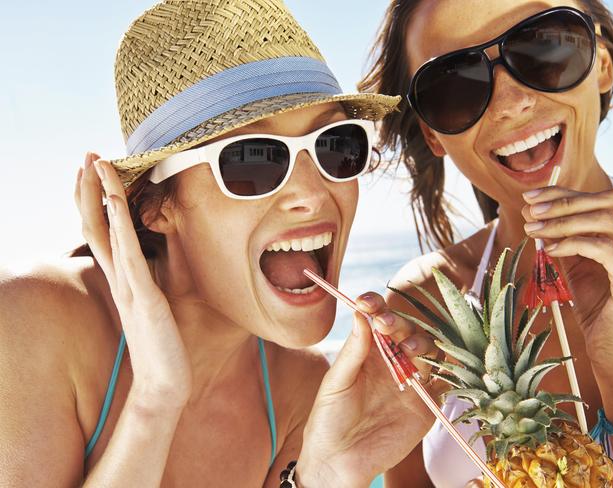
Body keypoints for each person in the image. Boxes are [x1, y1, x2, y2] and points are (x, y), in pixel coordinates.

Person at [0, 1, 433, 486]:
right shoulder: (30, 320)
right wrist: (156, 400)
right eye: (252, 160)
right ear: (155, 207)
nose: (312, 195)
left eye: (335, 144)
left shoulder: (306, 390)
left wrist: (322, 478)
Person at [359, 0, 613, 486]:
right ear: (432, 133)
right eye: (456, 84)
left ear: (600, 64)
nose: (513, 103)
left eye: (544, 46)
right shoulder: (422, 307)